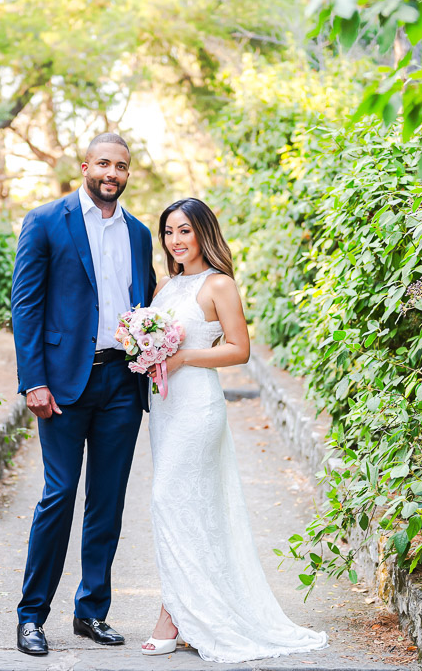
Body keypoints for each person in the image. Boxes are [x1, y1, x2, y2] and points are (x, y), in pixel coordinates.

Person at [142, 197, 327, 662]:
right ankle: (185, 607)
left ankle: (171, 615)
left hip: (197, 405)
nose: (176, 240)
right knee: (187, 505)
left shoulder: (218, 284)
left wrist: (182, 357)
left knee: (169, 498)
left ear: (204, 232)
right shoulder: (168, 286)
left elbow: (239, 349)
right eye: (168, 232)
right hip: (165, 407)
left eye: (184, 231)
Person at [11, 133, 156, 657]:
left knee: (108, 501)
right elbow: (25, 306)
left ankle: (91, 611)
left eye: (121, 165)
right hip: (64, 385)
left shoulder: (139, 234)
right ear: (84, 166)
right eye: (103, 163)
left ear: (128, 172)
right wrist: (34, 380)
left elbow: (147, 306)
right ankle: (31, 616)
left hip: (122, 381)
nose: (111, 173)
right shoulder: (47, 221)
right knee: (59, 495)